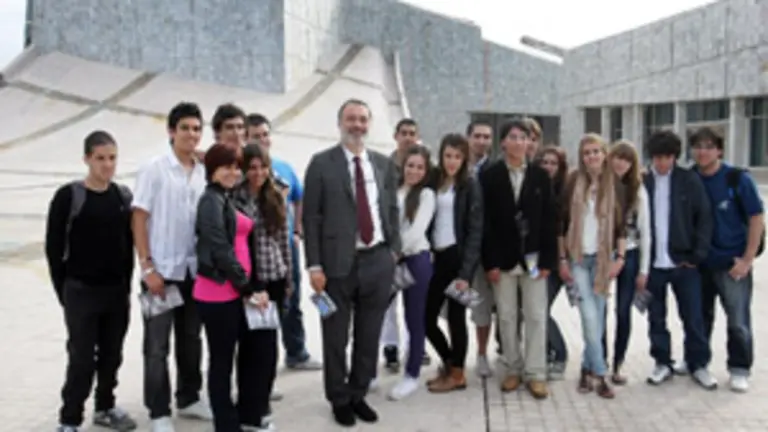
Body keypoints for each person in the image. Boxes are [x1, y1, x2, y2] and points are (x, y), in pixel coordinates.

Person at [302, 99, 401, 427]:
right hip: (335, 268)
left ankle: (358, 393)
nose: (356, 125)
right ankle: (338, 397)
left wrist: (394, 251)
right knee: (335, 336)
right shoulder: (321, 163)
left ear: (369, 124)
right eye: (350, 119)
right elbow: (311, 218)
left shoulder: (384, 164)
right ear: (340, 122)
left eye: (362, 119)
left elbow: (390, 210)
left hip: (377, 261)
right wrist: (314, 266)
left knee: (369, 334)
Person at [46, 131, 137, 432]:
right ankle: (70, 419)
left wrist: (126, 285)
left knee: (112, 354)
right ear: (87, 159)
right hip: (81, 292)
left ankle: (105, 406)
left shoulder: (123, 197)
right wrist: (65, 291)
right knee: (82, 358)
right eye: (100, 158)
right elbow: (53, 247)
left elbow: (129, 245)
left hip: (115, 292)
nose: (107, 165)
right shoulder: (69, 196)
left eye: (112, 158)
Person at [132, 102, 212, 432]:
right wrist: (147, 266)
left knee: (191, 339)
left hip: (194, 272)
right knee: (156, 346)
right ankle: (158, 410)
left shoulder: (204, 170)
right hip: (161, 274)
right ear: (171, 131)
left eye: (196, 129)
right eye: (185, 128)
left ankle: (189, 397)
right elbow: (139, 216)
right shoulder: (154, 168)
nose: (191, 134)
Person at [193, 144, 276, 432]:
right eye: (226, 167)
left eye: (235, 167)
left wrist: (249, 286)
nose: (233, 172)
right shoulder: (210, 201)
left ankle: (242, 417)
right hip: (218, 293)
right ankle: (226, 425)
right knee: (221, 362)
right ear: (212, 170)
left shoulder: (225, 198)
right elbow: (220, 248)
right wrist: (247, 287)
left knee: (237, 356)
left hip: (234, 292)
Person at [480, 119, 556, 399]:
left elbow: (550, 221)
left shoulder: (540, 176)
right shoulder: (490, 176)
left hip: (534, 259)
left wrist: (548, 261)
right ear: (503, 143)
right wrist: (490, 263)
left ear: (529, 143)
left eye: (523, 137)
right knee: (508, 317)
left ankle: (536, 373)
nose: (518, 142)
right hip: (502, 260)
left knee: (536, 315)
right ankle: (512, 369)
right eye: (512, 137)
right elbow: (485, 224)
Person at [245, 113, 323, 372]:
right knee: (262, 309)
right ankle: (263, 365)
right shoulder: (245, 170)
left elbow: (299, 198)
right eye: (256, 136)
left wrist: (297, 229)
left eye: (266, 134)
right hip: (258, 250)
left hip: (286, 244)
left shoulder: (284, 167)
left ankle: (296, 352)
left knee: (291, 299)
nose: (263, 140)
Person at [691, 127, 763, 393]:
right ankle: (698, 363)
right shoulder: (690, 178)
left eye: (709, 146)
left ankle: (739, 368)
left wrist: (747, 259)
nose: (702, 151)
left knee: (738, 320)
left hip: (732, 263)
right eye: (698, 146)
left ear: (719, 150)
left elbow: (756, 218)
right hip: (700, 264)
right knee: (699, 318)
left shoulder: (736, 179)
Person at [643, 130, 716, 390]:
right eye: (658, 157)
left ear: (675, 156)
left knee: (693, 316)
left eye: (668, 157)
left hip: (684, 264)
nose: (663, 163)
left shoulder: (689, 180)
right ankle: (662, 362)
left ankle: (698, 364)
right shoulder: (643, 181)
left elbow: (704, 218)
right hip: (653, 265)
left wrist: (697, 256)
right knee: (656, 317)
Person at [559, 133, 626, 399]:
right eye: (586, 153)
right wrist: (561, 258)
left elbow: (622, 227)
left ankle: (586, 370)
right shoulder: (574, 181)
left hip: (602, 261)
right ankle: (600, 373)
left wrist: (619, 259)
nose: (591, 157)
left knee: (596, 320)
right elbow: (561, 224)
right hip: (577, 258)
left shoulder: (616, 184)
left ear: (604, 154)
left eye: (596, 151)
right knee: (588, 316)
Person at [424, 133, 483, 393]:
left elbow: (475, 231)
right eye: (448, 155)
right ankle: (450, 363)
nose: (452, 161)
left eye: (457, 156)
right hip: (438, 257)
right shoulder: (435, 180)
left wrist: (466, 272)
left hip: (458, 258)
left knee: (456, 318)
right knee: (427, 318)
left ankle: (457, 373)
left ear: (464, 159)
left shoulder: (470, 185)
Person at [387, 145, 436, 401]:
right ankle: (368, 371)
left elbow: (417, 233)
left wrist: (395, 252)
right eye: (410, 165)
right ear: (402, 165)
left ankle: (411, 374)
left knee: (414, 319)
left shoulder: (426, 195)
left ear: (426, 171)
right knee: (377, 315)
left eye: (419, 167)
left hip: (415, 261)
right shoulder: (392, 190)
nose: (414, 171)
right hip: (389, 261)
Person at [604, 141, 651, 385]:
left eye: (626, 159)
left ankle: (618, 363)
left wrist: (644, 269)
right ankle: (597, 362)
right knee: (598, 311)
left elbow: (646, 233)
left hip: (630, 254)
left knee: (623, 311)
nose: (620, 162)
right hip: (601, 254)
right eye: (617, 157)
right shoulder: (601, 185)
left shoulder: (638, 190)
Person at [381, 118, 422, 373]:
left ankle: (416, 346)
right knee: (387, 302)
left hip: (415, 248)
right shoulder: (383, 167)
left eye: (412, 134)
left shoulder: (424, 168)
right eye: (403, 133)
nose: (407, 137)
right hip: (388, 248)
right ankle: (391, 347)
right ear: (396, 135)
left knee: (415, 300)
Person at [465, 120, 499, 375]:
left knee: (482, 305)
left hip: (486, 251)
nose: (482, 141)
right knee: (452, 306)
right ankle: (453, 355)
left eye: (487, 137)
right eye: (477, 136)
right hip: (458, 250)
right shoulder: (454, 166)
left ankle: (481, 353)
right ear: (469, 138)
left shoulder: (496, 170)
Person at [536, 145, 569, 380]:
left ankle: (560, 354)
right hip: (535, 260)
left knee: (541, 309)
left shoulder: (565, 193)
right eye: (544, 162)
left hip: (557, 262)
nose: (548, 167)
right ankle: (547, 352)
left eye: (553, 163)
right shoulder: (535, 188)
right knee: (535, 309)